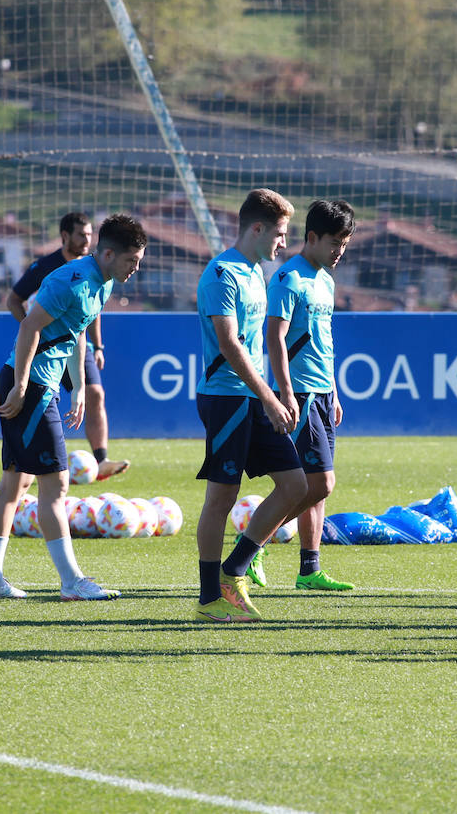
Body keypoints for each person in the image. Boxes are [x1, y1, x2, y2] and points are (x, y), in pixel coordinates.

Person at [0, 215, 147, 601]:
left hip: (45, 385)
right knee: (55, 485)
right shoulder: (70, 280)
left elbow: (77, 332)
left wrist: (80, 389)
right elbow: (29, 328)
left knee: (14, 482)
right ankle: (72, 581)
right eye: (130, 261)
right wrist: (21, 386)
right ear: (107, 253)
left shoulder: (103, 284)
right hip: (31, 386)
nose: (135, 269)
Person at [193, 189, 307, 624]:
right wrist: (270, 396)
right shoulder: (222, 273)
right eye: (279, 233)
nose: (283, 242)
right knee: (222, 497)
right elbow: (229, 344)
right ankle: (208, 597)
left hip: (254, 397)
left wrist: (277, 392)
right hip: (226, 398)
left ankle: (234, 569)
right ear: (256, 228)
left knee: (296, 486)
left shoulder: (257, 272)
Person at [249, 198, 356, 592]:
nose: (339, 251)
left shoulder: (325, 279)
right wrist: (288, 394)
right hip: (301, 395)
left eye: (344, 243)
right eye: (334, 243)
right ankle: (253, 545)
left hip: (324, 394)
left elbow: (324, 342)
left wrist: (335, 392)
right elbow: (274, 339)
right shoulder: (287, 278)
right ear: (311, 237)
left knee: (316, 485)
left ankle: (309, 570)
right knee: (319, 483)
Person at [5, 213, 128, 482]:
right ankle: (37, 467)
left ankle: (101, 459)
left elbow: (89, 315)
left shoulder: (99, 273)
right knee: (37, 480)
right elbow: (14, 300)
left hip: (77, 344)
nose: (86, 240)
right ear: (64, 236)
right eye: (81, 235)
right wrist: (34, 327)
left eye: (89, 234)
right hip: (46, 348)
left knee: (94, 393)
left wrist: (98, 346)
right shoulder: (48, 268)